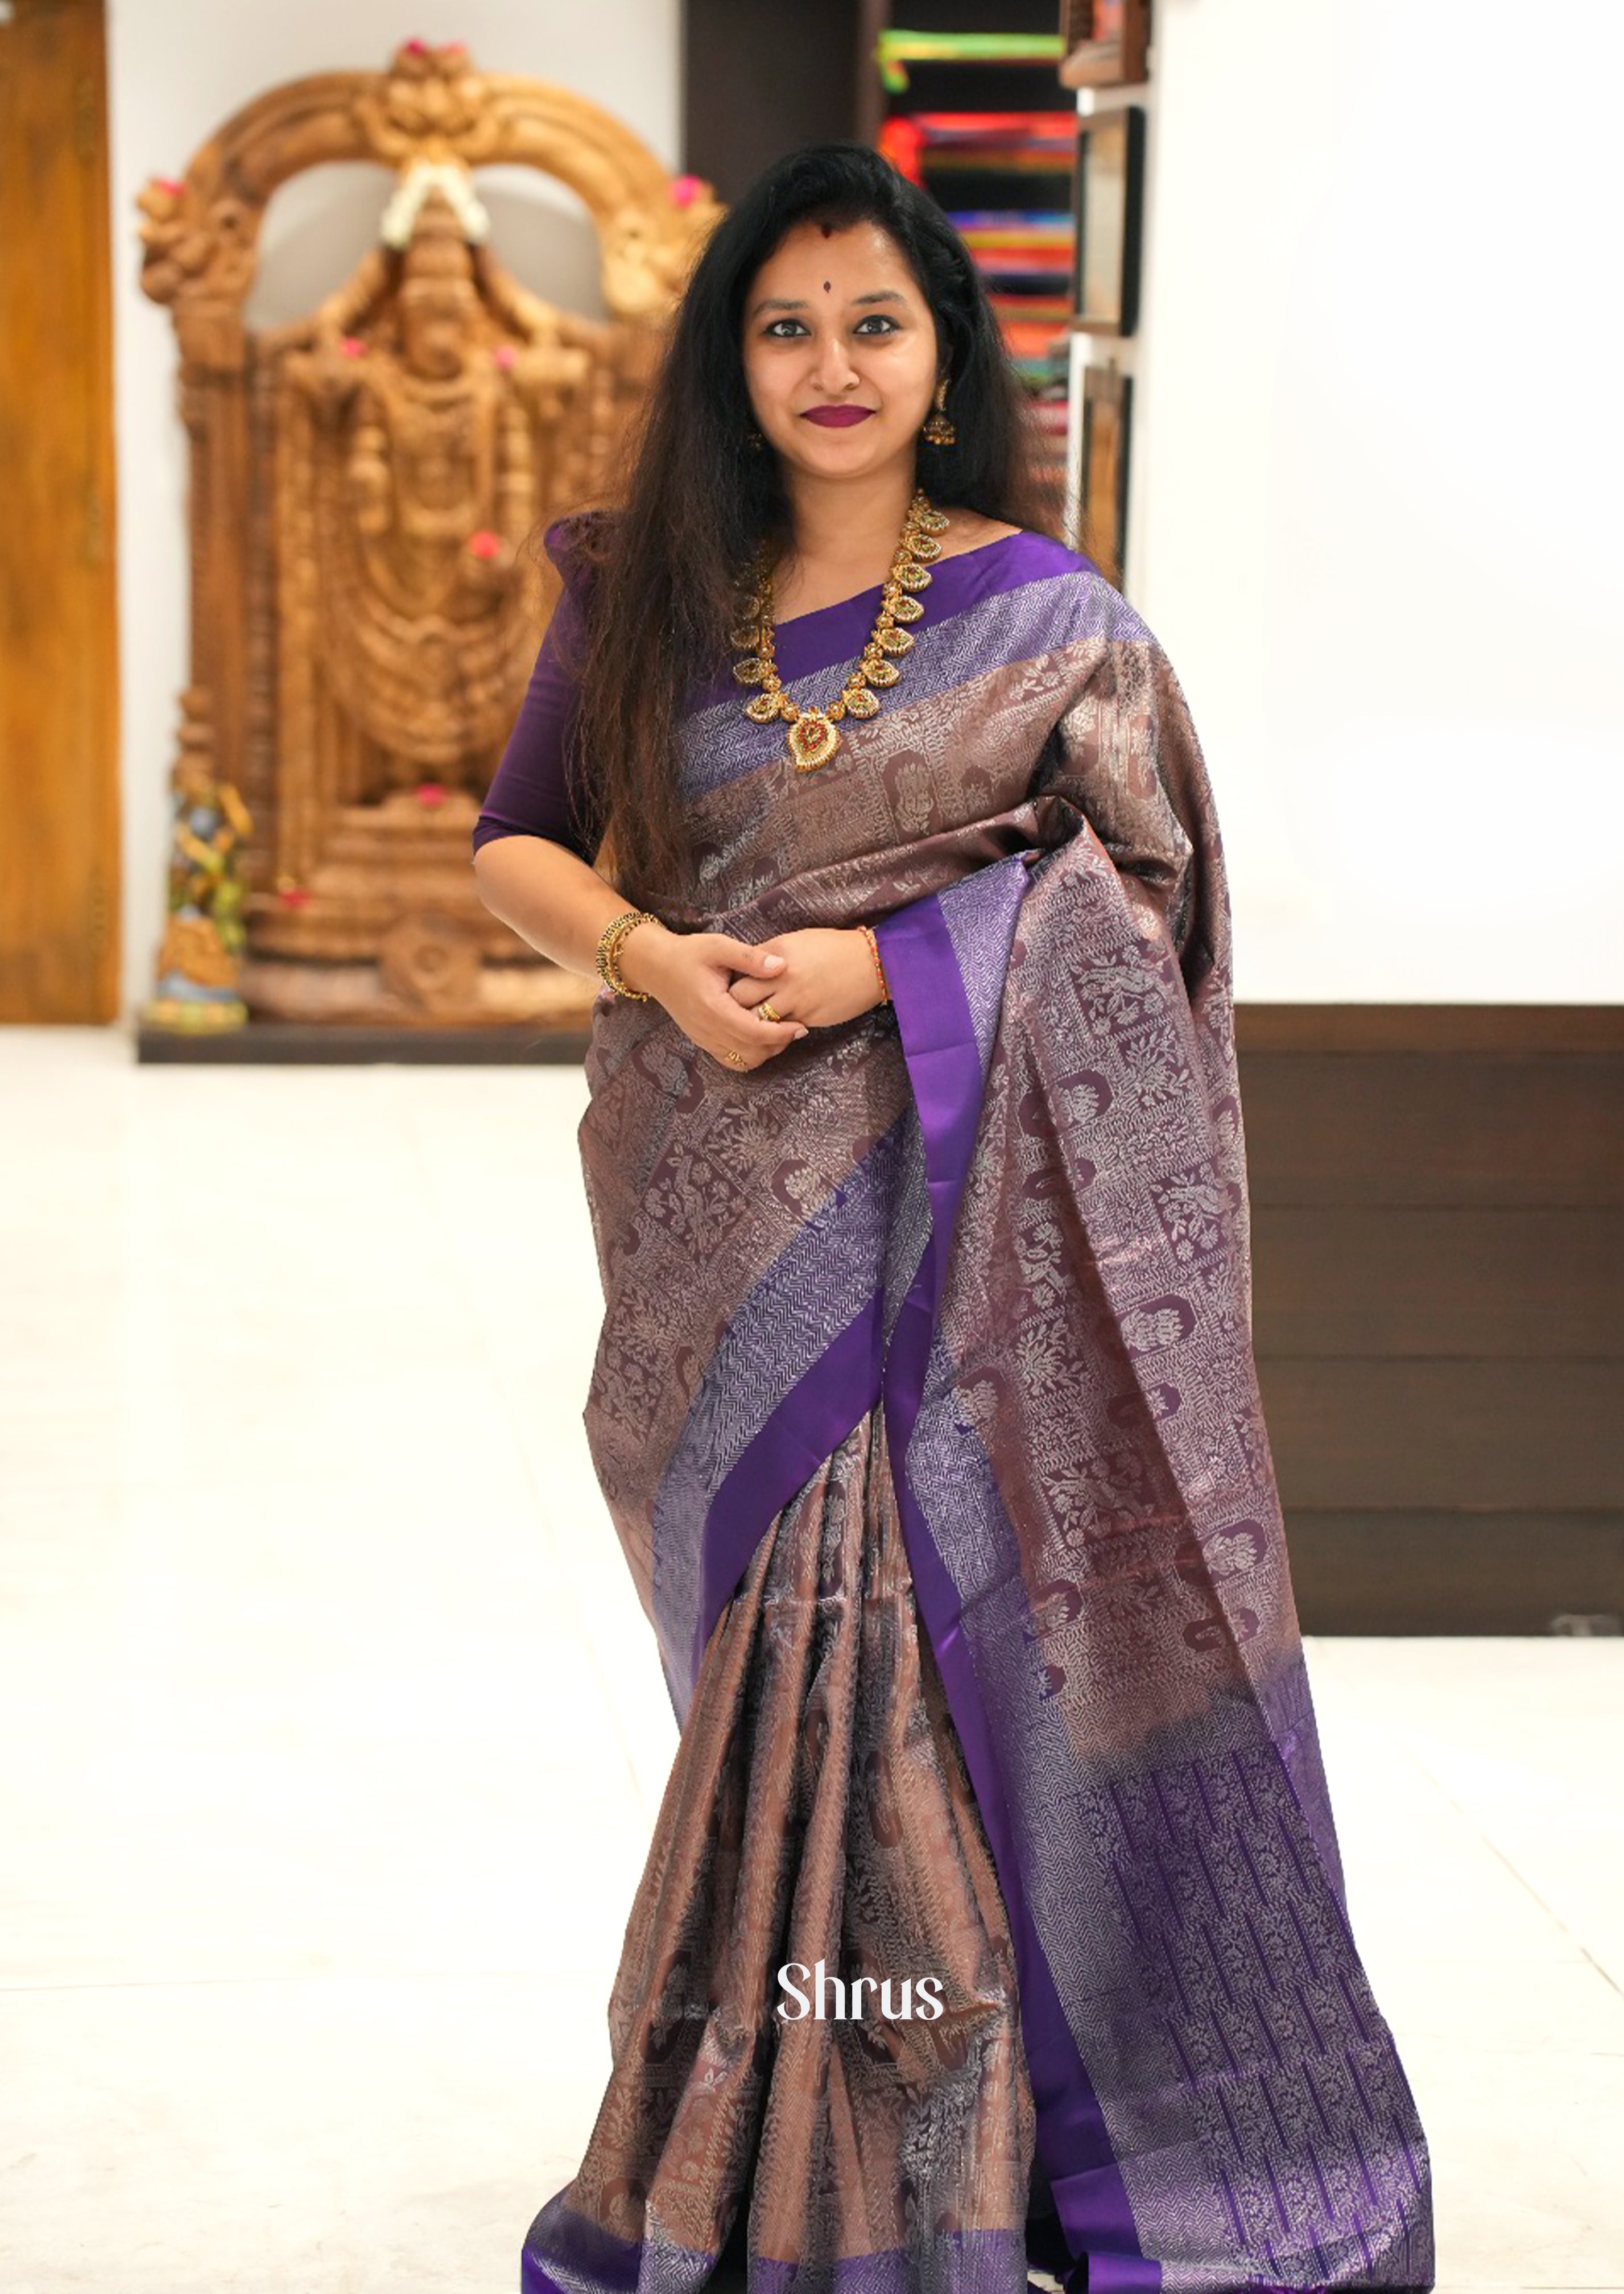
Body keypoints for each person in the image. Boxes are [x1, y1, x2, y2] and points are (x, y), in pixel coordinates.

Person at [473, 142, 1434, 2294]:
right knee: (772, 1690)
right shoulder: (639, 587)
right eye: (787, 324)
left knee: (908, 1652)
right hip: (722, 1231)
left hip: (973, 1225)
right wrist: (652, 958)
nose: (832, 365)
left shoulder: (1055, 623)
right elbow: (513, 846)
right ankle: (787, 2145)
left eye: (874, 325)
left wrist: (886, 968)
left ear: (942, 355)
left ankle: (969, 2162)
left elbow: (1149, 902)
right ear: (734, 357)